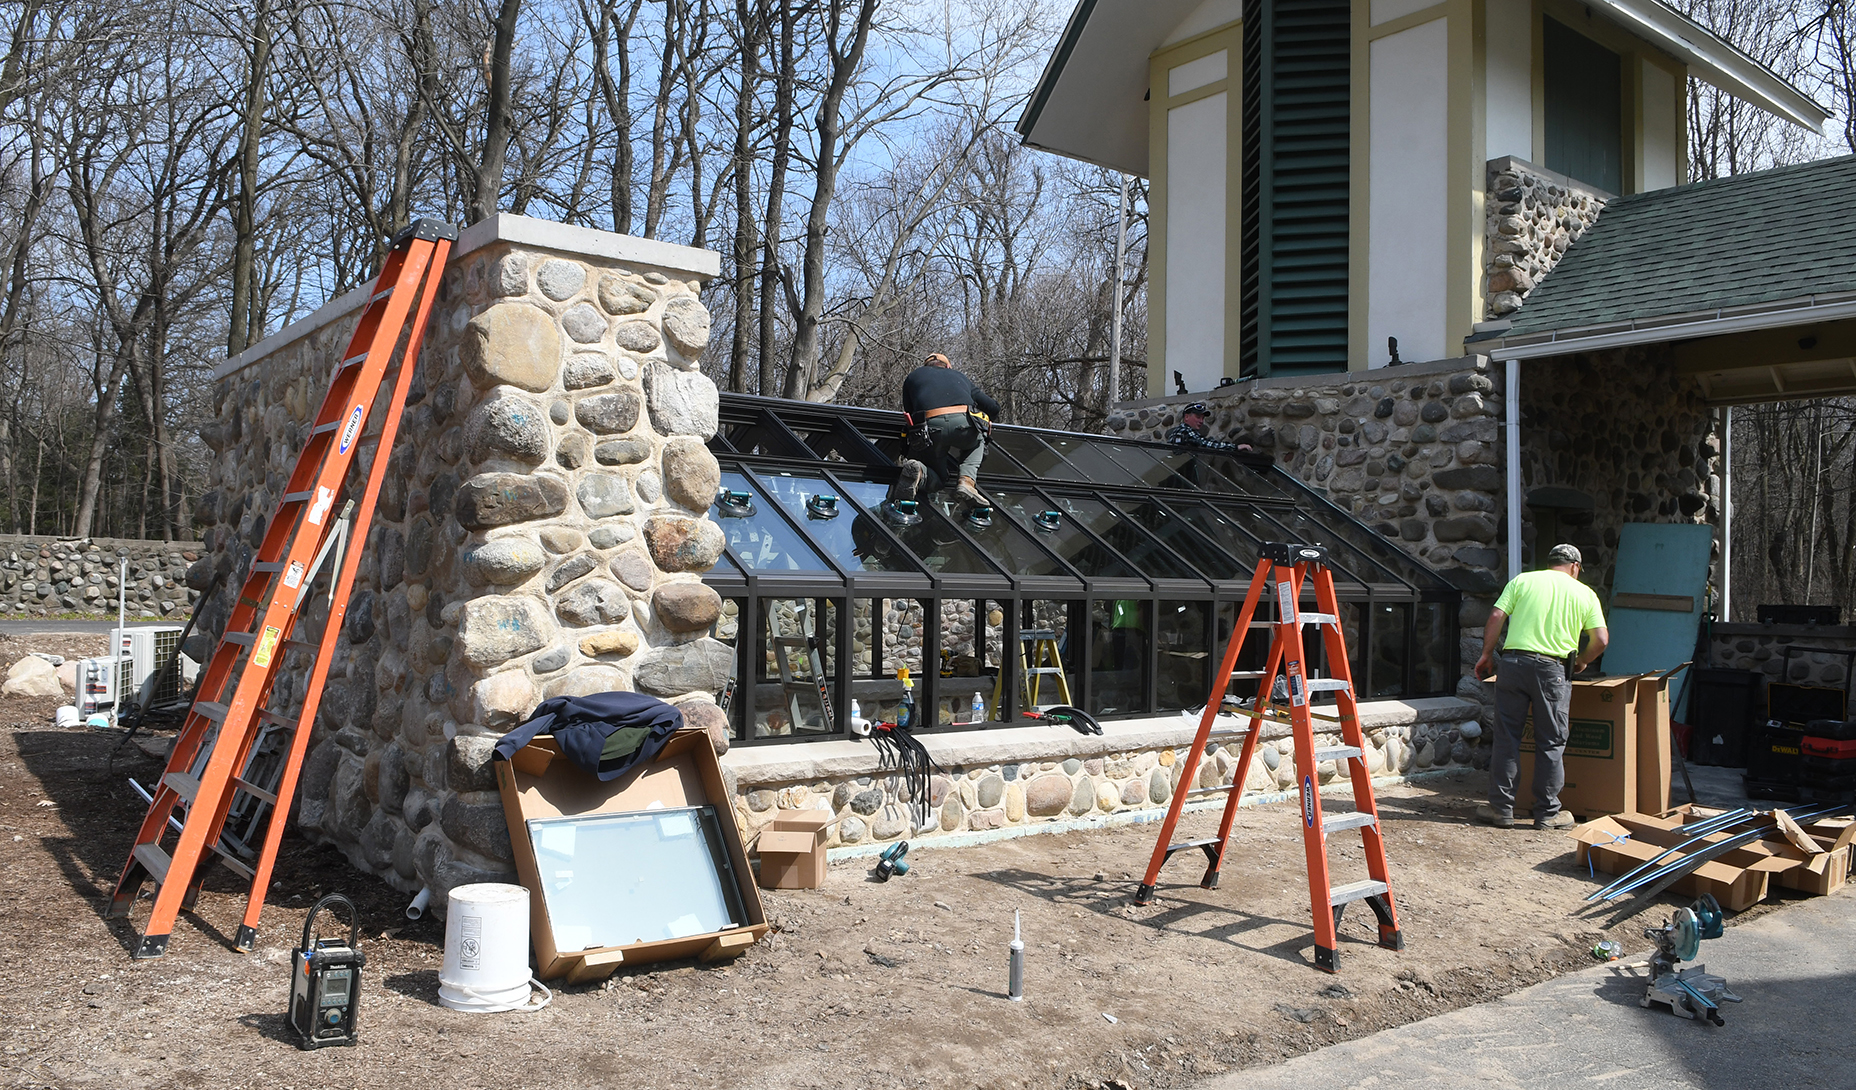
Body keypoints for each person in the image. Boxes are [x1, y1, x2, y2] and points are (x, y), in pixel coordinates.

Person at [1473, 543, 1609, 830]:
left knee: (1507, 737)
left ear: (1551, 563)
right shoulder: (1584, 593)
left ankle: (1502, 810)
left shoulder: (1522, 581)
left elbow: (1497, 616)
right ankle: (1547, 814)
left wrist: (1487, 654)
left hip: (1513, 664)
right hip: (1554, 670)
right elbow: (1601, 639)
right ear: (1575, 567)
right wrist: (1583, 660)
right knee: (1551, 742)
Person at [895, 352, 1000, 505]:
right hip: (964, 424)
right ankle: (966, 482)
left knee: (938, 477)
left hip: (931, 427)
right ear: (948, 367)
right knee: (976, 444)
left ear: (926, 367)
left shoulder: (913, 377)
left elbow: (910, 414)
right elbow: (993, 408)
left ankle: (920, 471)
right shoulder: (959, 376)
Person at [1166, 402, 1251, 452]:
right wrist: (1235, 447)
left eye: (1202, 418)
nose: (1201, 421)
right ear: (1187, 417)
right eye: (1198, 417)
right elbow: (1204, 443)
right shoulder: (1185, 430)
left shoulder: (1179, 430)